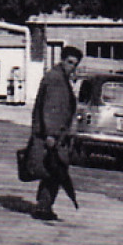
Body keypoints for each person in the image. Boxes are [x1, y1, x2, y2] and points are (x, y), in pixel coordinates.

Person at [29, 46, 83, 221]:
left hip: (56, 134)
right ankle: (43, 207)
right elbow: (51, 108)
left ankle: (44, 205)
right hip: (54, 136)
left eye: (75, 64)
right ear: (62, 60)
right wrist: (51, 134)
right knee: (55, 170)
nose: (72, 67)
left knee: (53, 170)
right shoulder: (56, 79)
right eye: (69, 62)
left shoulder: (58, 77)